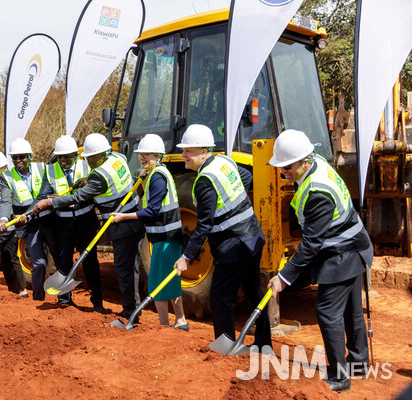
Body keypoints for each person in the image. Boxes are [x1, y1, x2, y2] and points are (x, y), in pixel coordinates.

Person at [267, 129, 372, 393]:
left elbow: (312, 244)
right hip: (352, 245)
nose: (283, 172)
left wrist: (283, 277)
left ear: (303, 160)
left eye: (287, 166)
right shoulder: (317, 164)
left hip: (344, 253)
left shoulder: (317, 194)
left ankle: (339, 378)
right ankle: (358, 363)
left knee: (328, 312)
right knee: (350, 309)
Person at [173, 124, 271, 348]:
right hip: (253, 237)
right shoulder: (224, 161)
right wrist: (231, 201)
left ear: (204, 151)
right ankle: (264, 346)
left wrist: (186, 257)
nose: (183, 155)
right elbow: (245, 176)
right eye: (184, 150)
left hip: (234, 246)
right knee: (254, 294)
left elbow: (204, 225)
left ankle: (225, 347)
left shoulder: (205, 181)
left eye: (189, 151)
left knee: (219, 297)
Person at [34, 133, 144, 320]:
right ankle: (68, 301)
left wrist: (52, 203)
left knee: (122, 269)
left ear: (100, 155)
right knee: (129, 269)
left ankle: (124, 310)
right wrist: (85, 181)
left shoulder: (99, 174)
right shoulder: (118, 157)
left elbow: (80, 196)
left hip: (114, 222)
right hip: (129, 216)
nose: (88, 161)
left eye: (89, 158)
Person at [112, 134, 187, 328]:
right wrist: (144, 179)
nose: (142, 158)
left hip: (166, 237)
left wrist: (123, 217)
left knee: (155, 283)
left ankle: (163, 326)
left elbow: (152, 210)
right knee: (169, 281)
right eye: (140, 155)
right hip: (166, 237)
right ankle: (180, 321)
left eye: (147, 155)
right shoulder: (156, 174)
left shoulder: (158, 178)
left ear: (158, 155)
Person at [41, 135, 104, 312]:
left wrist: (63, 199)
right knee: (63, 261)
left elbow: (91, 191)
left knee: (90, 261)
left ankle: (97, 302)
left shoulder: (87, 165)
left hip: (86, 220)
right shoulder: (50, 170)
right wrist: (45, 201)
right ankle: (64, 301)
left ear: (76, 155)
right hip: (63, 222)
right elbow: (44, 195)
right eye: (60, 157)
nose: (63, 160)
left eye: (67, 156)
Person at [0, 138, 59, 301]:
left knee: (59, 261)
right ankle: (38, 298)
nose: (18, 161)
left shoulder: (43, 168)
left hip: (51, 221)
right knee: (38, 264)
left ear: (30, 156)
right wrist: (4, 219)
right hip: (30, 226)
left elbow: (49, 190)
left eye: (21, 156)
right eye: (14, 158)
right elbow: (5, 201)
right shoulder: (7, 177)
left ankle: (64, 300)